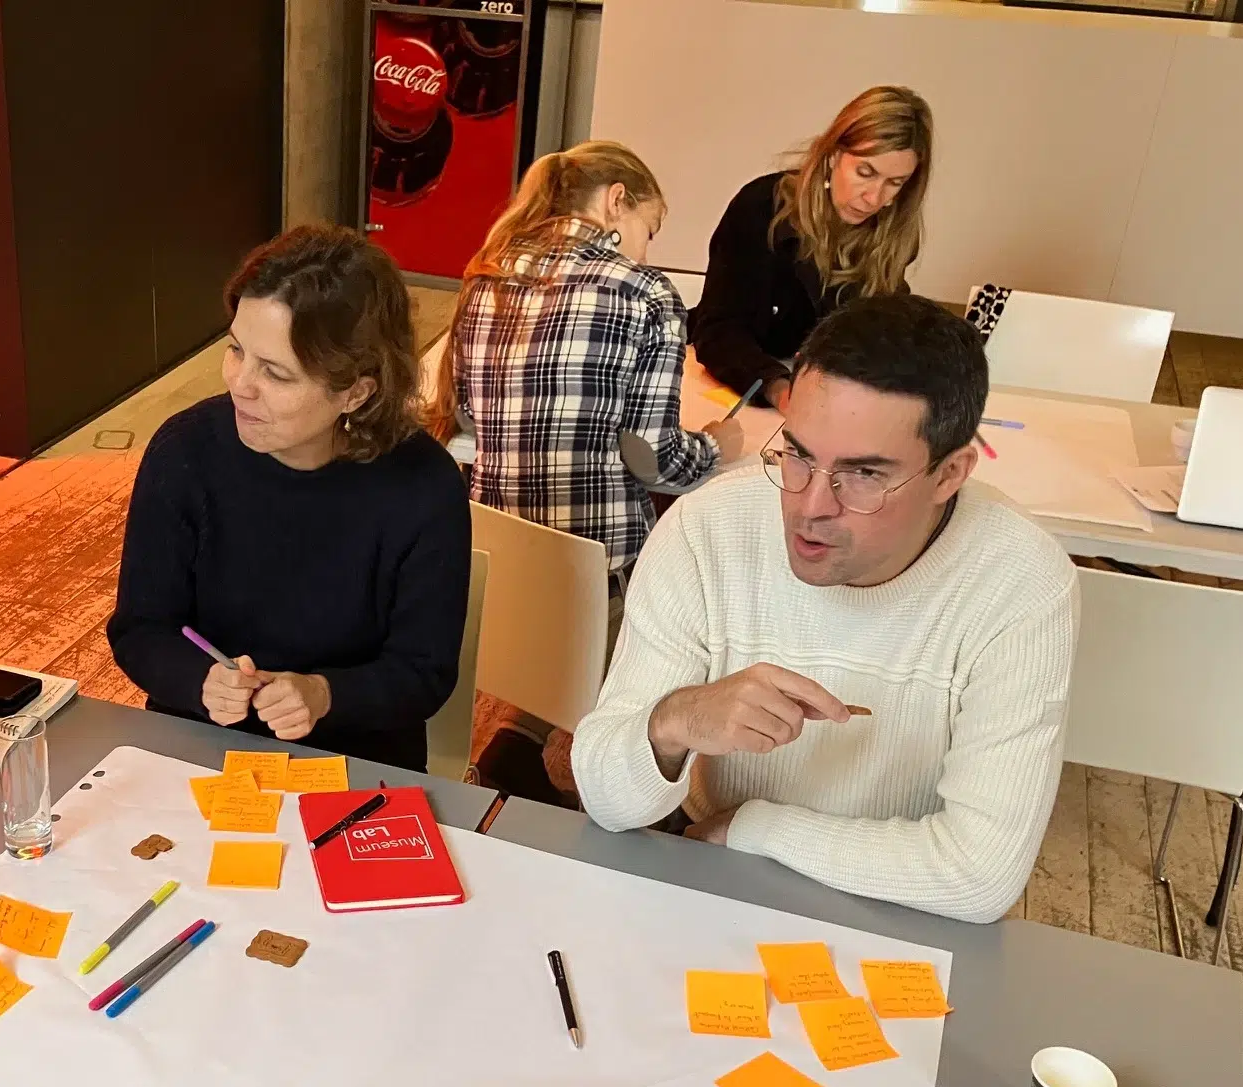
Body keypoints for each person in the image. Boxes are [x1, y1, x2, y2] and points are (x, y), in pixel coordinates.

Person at [572, 294, 1077, 924]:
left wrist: (751, 828)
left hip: (897, 908)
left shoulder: (1021, 580)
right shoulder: (708, 528)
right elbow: (604, 796)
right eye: (799, 455)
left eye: (863, 475)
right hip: (721, 885)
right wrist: (673, 723)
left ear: (950, 474)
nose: (810, 507)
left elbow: (979, 877)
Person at [108, 224, 471, 772]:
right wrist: (199, 680)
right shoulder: (186, 451)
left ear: (356, 392)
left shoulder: (423, 486)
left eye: (275, 373)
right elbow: (140, 629)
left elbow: (424, 672)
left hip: (355, 762)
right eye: (236, 350)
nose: (239, 384)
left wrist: (325, 695)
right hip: (199, 747)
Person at [432, 142, 733, 797]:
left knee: (560, 607)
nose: (648, 249)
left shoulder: (486, 275)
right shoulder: (645, 292)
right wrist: (718, 448)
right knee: (690, 581)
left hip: (498, 558)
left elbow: (467, 424)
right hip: (597, 573)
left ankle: (516, 742)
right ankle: (638, 784)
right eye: (650, 228)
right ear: (617, 201)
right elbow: (656, 462)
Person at [689, 86, 933, 411]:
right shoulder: (761, 206)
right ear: (833, 156)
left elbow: (879, 335)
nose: (875, 198)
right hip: (742, 384)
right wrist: (781, 391)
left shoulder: (894, 232)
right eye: (865, 172)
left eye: (895, 183)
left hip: (826, 394)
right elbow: (719, 331)